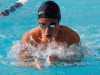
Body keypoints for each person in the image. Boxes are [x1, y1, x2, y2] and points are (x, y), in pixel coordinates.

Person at [18, 1, 84, 70]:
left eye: (52, 25)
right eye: (42, 25)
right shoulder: (29, 38)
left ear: (59, 22)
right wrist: (33, 64)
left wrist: (60, 60)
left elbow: (79, 59)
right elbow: (21, 62)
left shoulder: (70, 37)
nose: (47, 31)